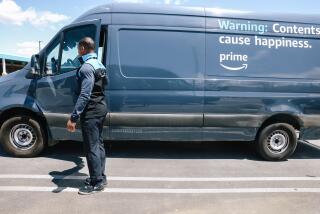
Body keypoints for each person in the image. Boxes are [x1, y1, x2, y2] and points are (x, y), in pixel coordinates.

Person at [66, 37, 108, 195]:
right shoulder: (100, 65)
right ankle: (101, 177)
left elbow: (84, 94)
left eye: (78, 49)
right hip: (101, 107)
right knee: (99, 144)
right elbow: (105, 85)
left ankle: (96, 183)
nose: (78, 52)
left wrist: (73, 117)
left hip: (91, 111)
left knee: (91, 147)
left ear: (83, 48)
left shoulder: (86, 68)